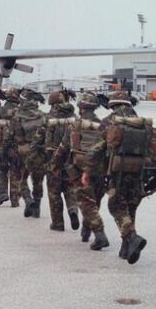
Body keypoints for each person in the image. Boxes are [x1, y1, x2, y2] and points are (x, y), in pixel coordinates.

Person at [84, 91, 156, 264]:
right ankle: (126, 248)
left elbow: (96, 149)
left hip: (117, 172)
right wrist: (155, 173)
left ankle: (132, 237)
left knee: (116, 206)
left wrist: (88, 171)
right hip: (139, 173)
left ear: (112, 105)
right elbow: (154, 150)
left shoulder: (108, 122)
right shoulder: (143, 123)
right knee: (130, 206)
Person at [53, 92, 109, 249]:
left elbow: (63, 148)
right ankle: (86, 229)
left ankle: (100, 234)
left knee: (86, 203)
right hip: (99, 170)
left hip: (79, 170)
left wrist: (54, 166)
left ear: (81, 108)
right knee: (94, 201)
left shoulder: (75, 125)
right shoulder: (104, 125)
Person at [35, 89, 79, 231]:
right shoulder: (75, 117)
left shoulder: (47, 118)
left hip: (52, 159)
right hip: (71, 160)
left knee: (54, 192)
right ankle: (73, 209)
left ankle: (58, 223)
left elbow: (38, 139)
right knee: (70, 187)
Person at [7, 88, 47, 218]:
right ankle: (37, 207)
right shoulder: (42, 116)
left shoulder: (17, 116)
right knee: (38, 180)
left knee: (20, 178)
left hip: (23, 151)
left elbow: (14, 136)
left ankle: (27, 199)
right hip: (40, 152)